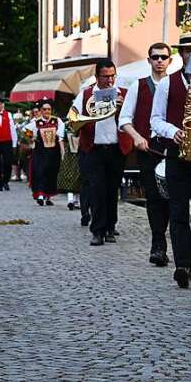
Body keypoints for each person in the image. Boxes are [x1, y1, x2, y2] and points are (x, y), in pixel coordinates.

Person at [150, 33, 191, 289]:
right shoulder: (168, 83)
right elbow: (155, 119)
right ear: (182, 55)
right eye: (188, 51)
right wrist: (171, 131)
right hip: (178, 154)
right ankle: (181, 265)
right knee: (178, 212)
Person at [119, 43, 173, 266]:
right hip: (148, 150)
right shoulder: (138, 86)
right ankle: (158, 245)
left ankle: (175, 244)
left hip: (173, 150)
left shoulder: (177, 85)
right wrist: (136, 137)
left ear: (170, 60)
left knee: (172, 199)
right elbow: (124, 119)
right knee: (153, 198)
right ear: (149, 60)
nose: (159, 61)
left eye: (163, 57)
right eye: (155, 57)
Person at [74, 60, 130, 246]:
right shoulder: (86, 94)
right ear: (97, 77)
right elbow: (74, 118)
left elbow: (130, 120)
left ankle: (110, 227)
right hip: (94, 149)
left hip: (115, 148)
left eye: (112, 76)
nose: (109, 80)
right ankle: (97, 231)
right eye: (105, 76)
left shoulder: (124, 94)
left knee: (112, 190)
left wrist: (122, 108)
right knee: (97, 190)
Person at [23, 102, 64, 206]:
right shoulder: (36, 122)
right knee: (40, 172)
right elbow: (25, 130)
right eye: (44, 109)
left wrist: (62, 150)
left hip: (53, 152)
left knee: (51, 172)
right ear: (41, 111)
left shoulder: (57, 121)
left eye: (49, 109)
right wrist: (32, 138)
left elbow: (61, 134)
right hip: (40, 151)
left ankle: (48, 196)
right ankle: (40, 195)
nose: (47, 111)